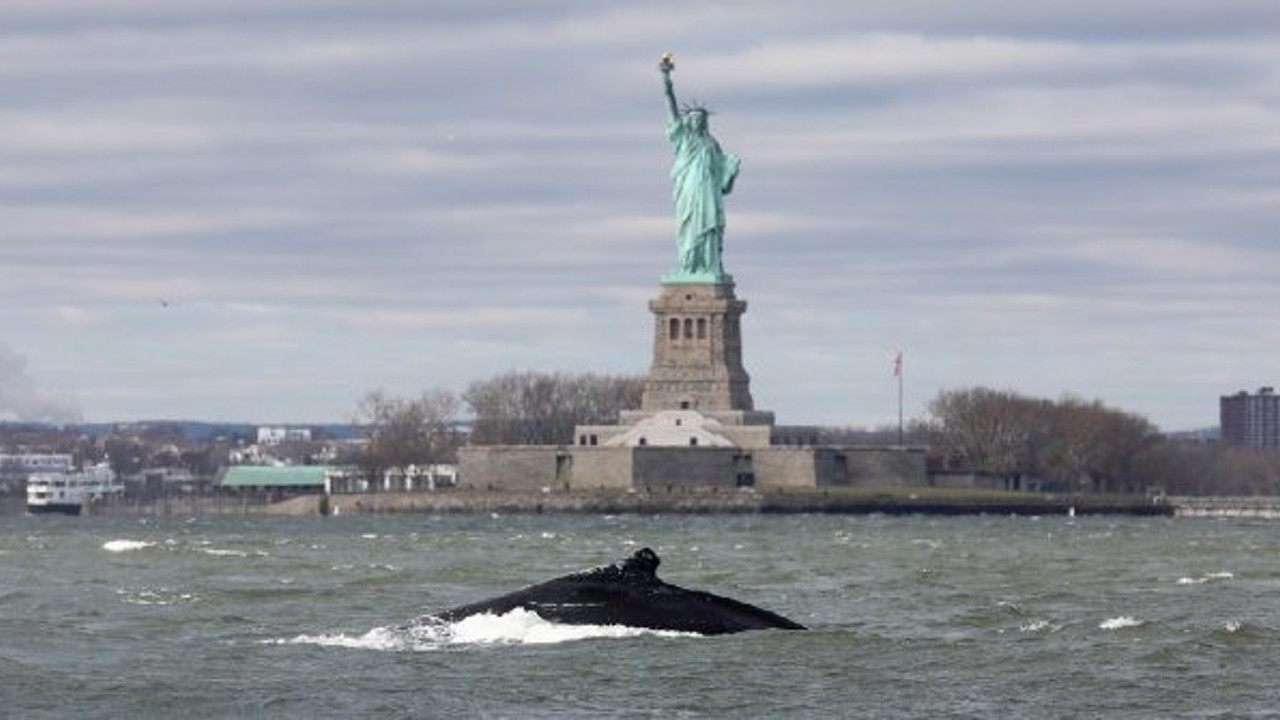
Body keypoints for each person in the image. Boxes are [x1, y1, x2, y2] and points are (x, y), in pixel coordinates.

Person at [660, 54, 740, 281]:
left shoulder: (712, 144)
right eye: (693, 118)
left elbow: (723, 180)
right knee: (689, 227)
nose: (696, 121)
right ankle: (688, 265)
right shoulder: (683, 139)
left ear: (705, 122)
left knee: (709, 227)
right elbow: (671, 112)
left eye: (700, 119)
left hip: (708, 192)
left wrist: (732, 170)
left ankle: (709, 265)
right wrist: (667, 81)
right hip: (689, 190)